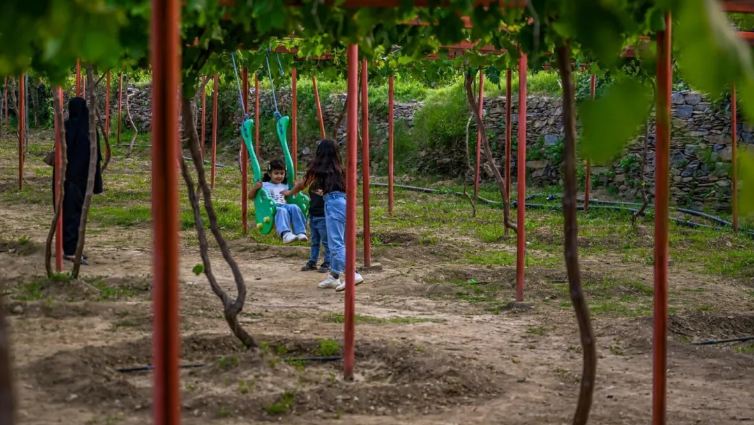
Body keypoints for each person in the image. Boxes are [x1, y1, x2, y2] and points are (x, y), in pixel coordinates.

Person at [288, 140, 363, 292]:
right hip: (345, 203)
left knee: (335, 243)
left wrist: (289, 193)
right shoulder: (340, 170)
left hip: (333, 205)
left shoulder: (318, 169)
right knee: (339, 241)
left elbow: (302, 184)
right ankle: (334, 276)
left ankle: (352, 274)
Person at [61, 97, 103, 264]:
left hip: (67, 179)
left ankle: (71, 249)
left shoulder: (67, 128)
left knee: (69, 216)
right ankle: (72, 250)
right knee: (76, 216)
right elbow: (96, 157)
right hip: (83, 180)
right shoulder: (90, 130)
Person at [249, 159, 308, 244]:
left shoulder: (285, 185)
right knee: (282, 211)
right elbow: (250, 196)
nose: (279, 176)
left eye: (282, 173)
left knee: (294, 207)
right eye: (276, 173)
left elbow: (292, 194)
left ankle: (300, 232)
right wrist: (255, 188)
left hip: (284, 204)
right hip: (272, 207)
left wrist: (295, 187)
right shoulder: (264, 185)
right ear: (269, 174)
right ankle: (285, 234)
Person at [300, 183, 330, 273]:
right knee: (314, 241)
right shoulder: (313, 183)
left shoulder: (328, 183)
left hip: (322, 217)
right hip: (313, 216)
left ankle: (328, 262)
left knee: (326, 242)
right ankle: (312, 262)